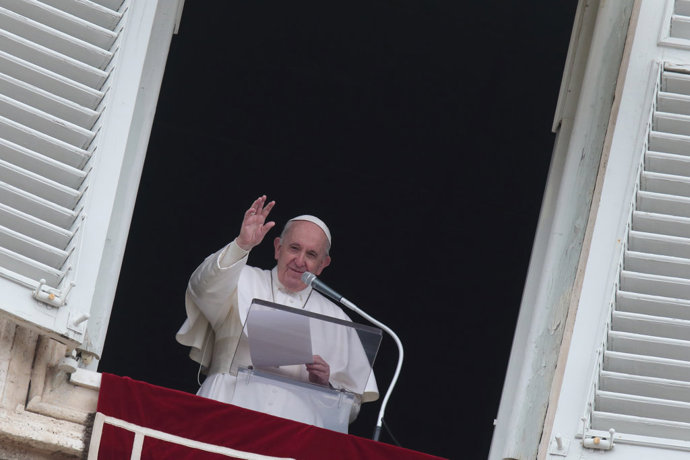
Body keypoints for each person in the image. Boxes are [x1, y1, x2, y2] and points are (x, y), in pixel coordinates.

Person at [176, 195, 378, 429]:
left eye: (311, 255)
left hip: (293, 431)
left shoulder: (336, 317)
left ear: (323, 264)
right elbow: (202, 287)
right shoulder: (241, 278)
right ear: (277, 248)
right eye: (294, 248)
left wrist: (325, 385)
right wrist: (241, 245)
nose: (300, 261)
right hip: (224, 412)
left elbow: (351, 408)